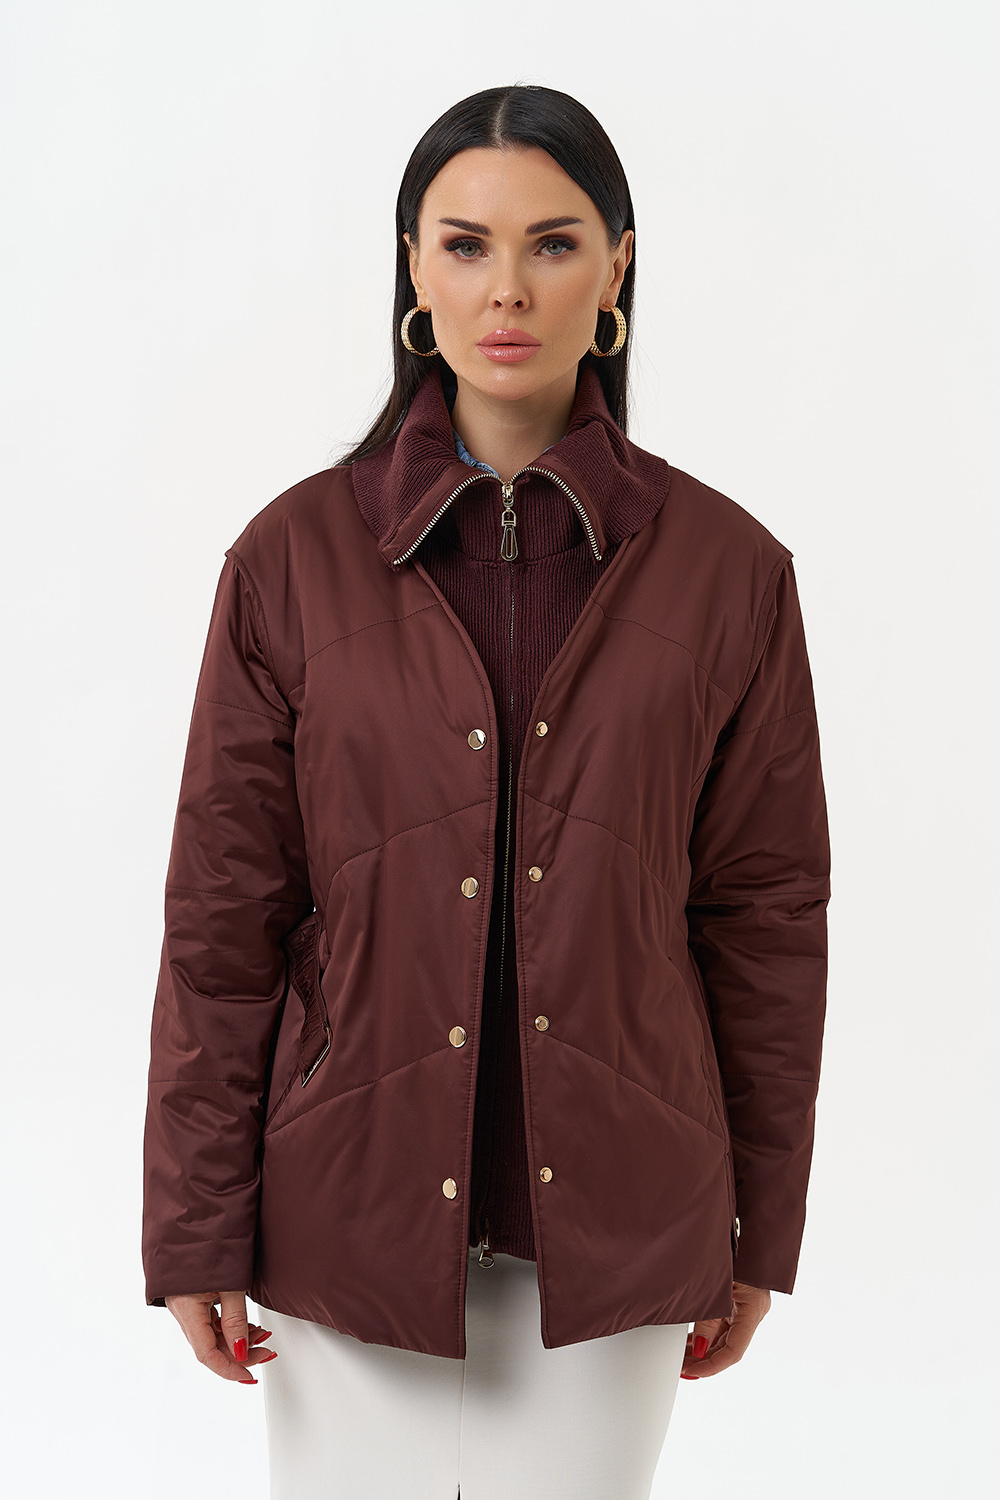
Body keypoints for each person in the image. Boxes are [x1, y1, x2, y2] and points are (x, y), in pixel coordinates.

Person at [142, 84, 831, 1500]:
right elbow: (224, 921)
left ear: (617, 268)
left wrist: (761, 1230)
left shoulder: (730, 573)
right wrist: (195, 1229)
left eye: (553, 243)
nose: (506, 289)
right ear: (413, 268)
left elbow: (765, 922)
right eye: (464, 245)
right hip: (345, 1218)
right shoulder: (289, 561)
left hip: (625, 1228)